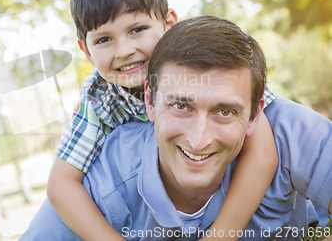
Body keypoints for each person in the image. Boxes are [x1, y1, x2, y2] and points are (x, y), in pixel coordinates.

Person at [22, 16, 332, 240]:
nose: (198, 140)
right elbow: (61, 186)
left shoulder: (287, 130)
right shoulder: (110, 170)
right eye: (181, 106)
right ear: (150, 102)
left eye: (225, 111)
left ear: (254, 114)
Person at [46, 0, 278, 240]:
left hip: (225, 202)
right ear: (86, 51)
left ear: (168, 24)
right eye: (104, 39)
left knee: (287, 122)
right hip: (150, 212)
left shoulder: (206, 60)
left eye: (137, 29)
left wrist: (221, 235)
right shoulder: (98, 98)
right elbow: (61, 184)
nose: (124, 51)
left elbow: (263, 152)